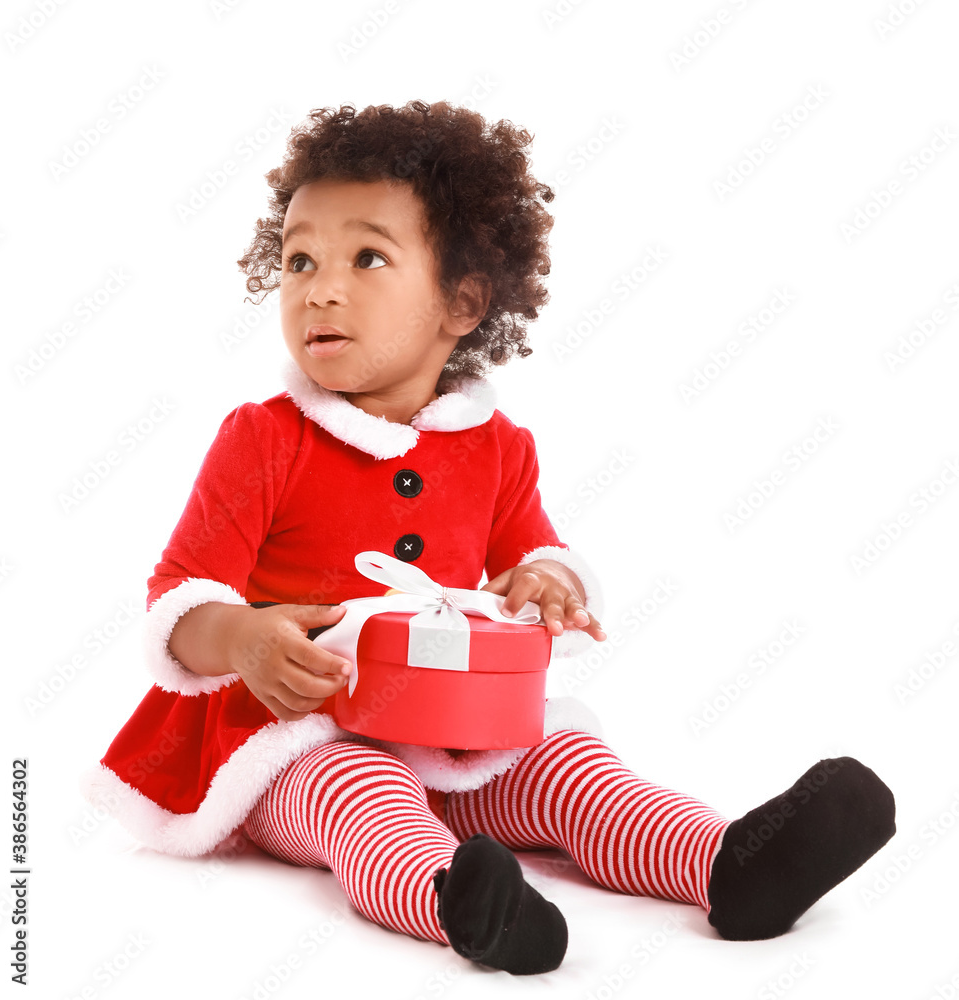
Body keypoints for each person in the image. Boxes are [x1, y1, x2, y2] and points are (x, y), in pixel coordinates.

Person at [83, 101, 895, 976]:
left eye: (366, 258)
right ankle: (458, 902)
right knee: (363, 793)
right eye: (298, 259)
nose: (318, 287)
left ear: (462, 303)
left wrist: (545, 582)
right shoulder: (265, 437)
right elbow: (181, 600)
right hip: (290, 741)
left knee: (571, 767)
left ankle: (728, 863)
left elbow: (528, 556)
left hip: (453, 723)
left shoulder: (498, 447)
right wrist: (242, 638)